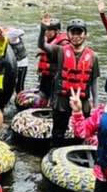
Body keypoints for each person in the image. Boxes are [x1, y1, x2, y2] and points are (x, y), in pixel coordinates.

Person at [40, 16, 100, 146]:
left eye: (79, 32)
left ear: (85, 35)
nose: (76, 36)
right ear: (68, 34)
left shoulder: (93, 56)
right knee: (58, 133)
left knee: (81, 133)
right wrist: (43, 29)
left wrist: (95, 105)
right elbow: (42, 45)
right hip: (61, 100)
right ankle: (54, 154)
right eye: (73, 32)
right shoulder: (60, 50)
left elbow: (94, 82)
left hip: (82, 102)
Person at [35, 17, 68, 103]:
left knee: (52, 99)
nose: (47, 33)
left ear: (57, 31)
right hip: (46, 76)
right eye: (46, 30)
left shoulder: (63, 43)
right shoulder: (48, 40)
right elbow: (42, 45)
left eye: (50, 31)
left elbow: (63, 59)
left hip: (54, 77)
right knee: (43, 95)